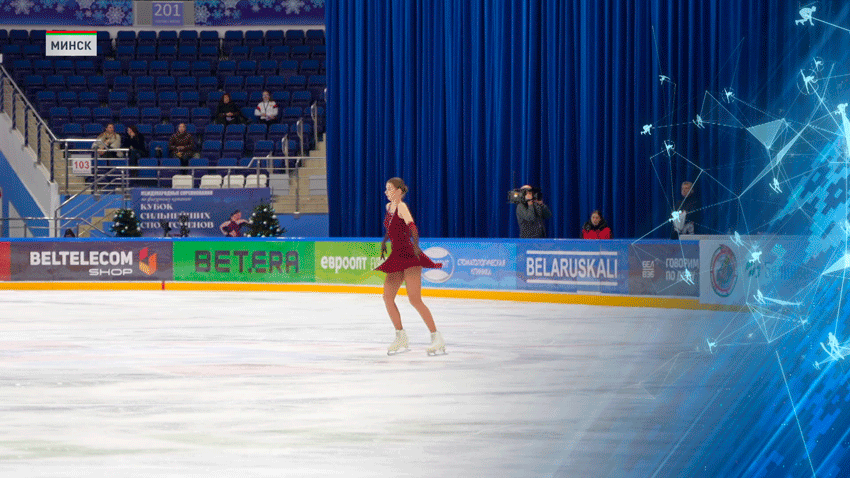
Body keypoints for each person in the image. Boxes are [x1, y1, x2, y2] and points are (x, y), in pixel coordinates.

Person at [374, 177, 446, 355]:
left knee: (414, 299)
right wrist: (384, 242)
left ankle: (436, 337)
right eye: (386, 189)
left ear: (399, 191)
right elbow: (390, 229)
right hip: (396, 255)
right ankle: (400, 335)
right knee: (387, 297)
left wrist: (415, 247)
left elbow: (412, 228)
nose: (386, 192)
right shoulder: (388, 208)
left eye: (389, 188)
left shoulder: (401, 207)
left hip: (409, 255)